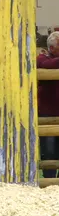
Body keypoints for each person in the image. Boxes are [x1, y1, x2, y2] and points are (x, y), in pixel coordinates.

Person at [37, 31, 59, 179]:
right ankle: (49, 183)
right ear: (52, 48)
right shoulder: (41, 59)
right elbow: (45, 64)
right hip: (48, 113)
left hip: (52, 111)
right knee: (49, 151)